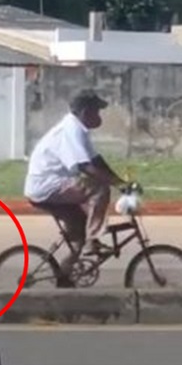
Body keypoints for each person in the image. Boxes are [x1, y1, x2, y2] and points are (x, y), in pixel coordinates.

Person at [23, 89, 129, 287]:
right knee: (99, 189)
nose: (99, 116)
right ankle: (94, 240)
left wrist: (121, 183)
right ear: (84, 112)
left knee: (77, 235)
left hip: (51, 186)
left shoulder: (79, 130)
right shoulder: (71, 130)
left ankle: (64, 278)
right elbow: (85, 167)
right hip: (46, 186)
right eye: (96, 111)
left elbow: (96, 160)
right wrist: (115, 184)